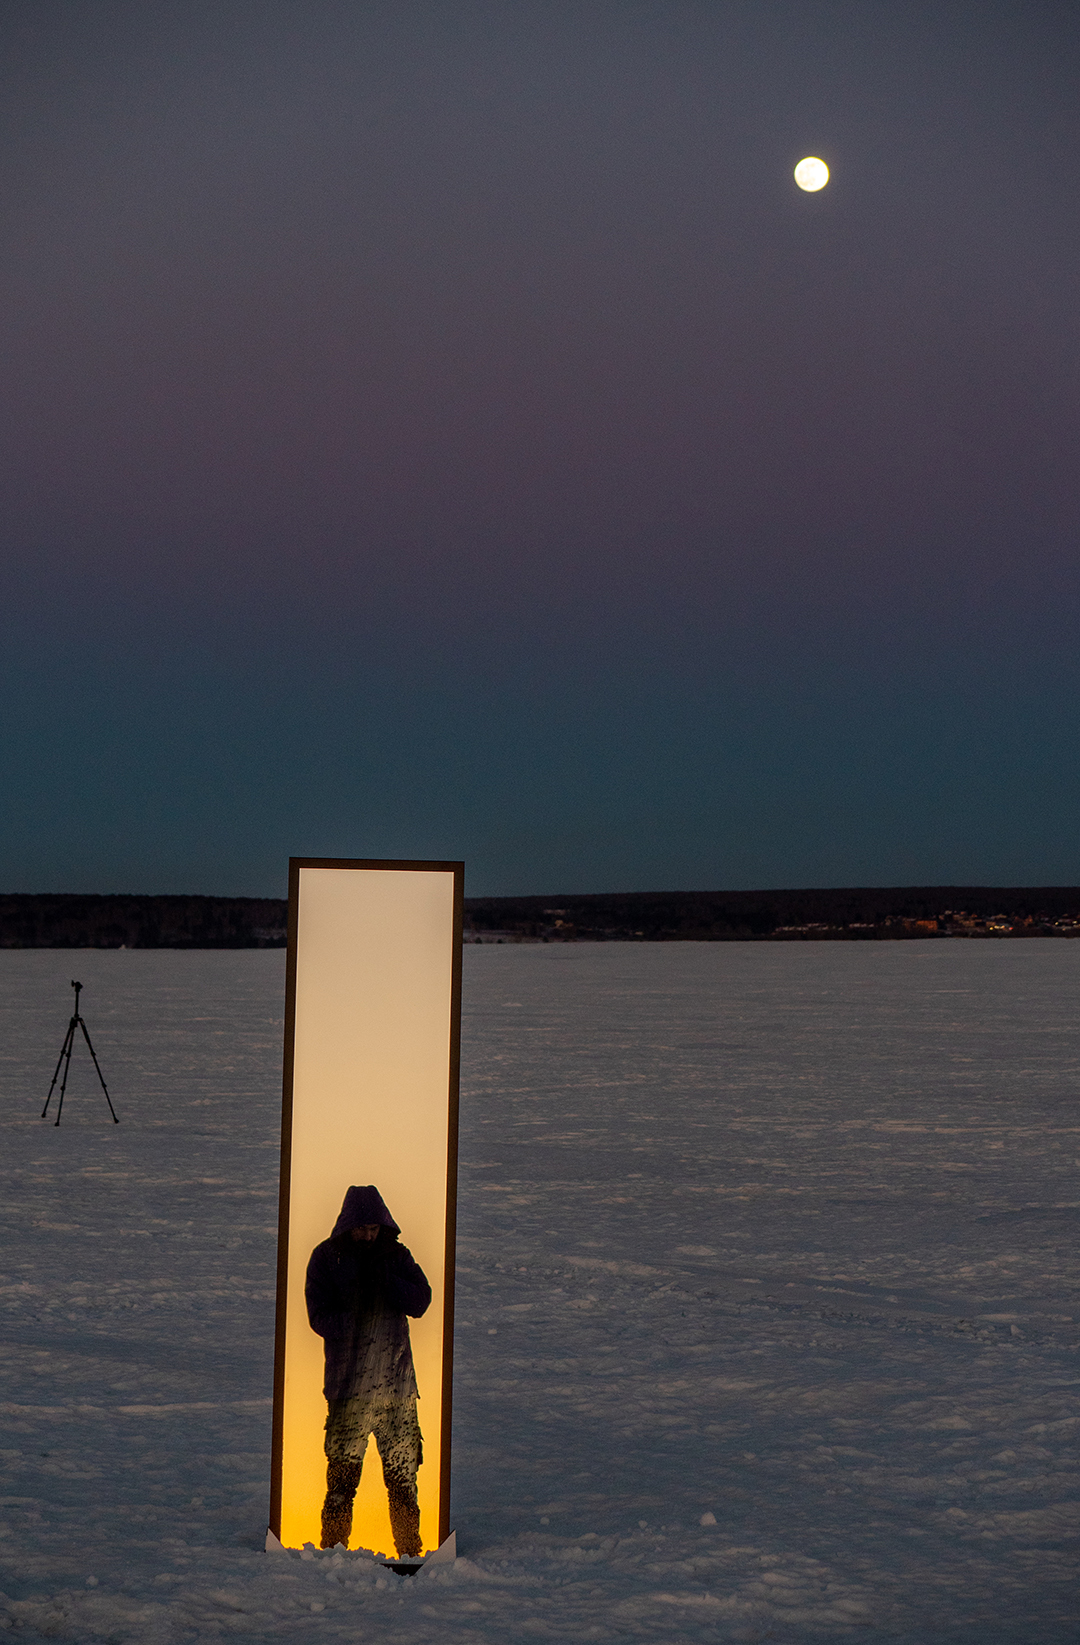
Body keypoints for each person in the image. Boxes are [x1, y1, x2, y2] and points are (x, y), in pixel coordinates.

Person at [305, 1185, 431, 1555]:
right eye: (361, 1228)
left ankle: (410, 1554)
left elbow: (421, 1301)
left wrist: (387, 1282)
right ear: (347, 1225)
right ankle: (333, 1552)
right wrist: (353, 1316)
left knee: (403, 1483)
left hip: (398, 1393)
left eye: (373, 1228)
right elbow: (318, 1317)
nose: (367, 1235)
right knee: (341, 1484)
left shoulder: (396, 1256)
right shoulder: (326, 1259)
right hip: (349, 1393)